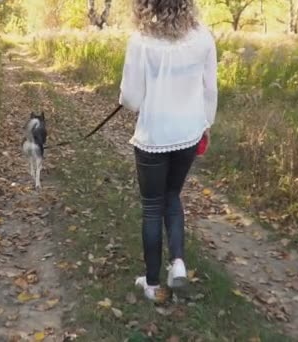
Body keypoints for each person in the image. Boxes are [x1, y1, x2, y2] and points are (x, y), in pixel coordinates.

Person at [118, 0, 218, 301]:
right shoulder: (203, 37)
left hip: (154, 136)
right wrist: (205, 124)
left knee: (152, 206)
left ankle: (150, 284)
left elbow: (132, 100)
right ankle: (178, 263)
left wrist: (127, 95)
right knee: (172, 196)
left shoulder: (140, 41)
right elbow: (209, 89)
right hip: (188, 134)